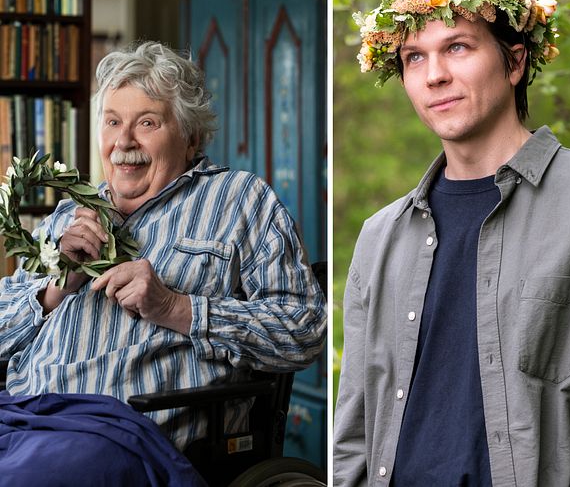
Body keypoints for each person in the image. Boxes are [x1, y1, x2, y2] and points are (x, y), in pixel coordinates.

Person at [333, 0, 570, 486]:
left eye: (458, 47)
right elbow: (354, 420)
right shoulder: (380, 236)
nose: (434, 74)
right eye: (414, 57)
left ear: (514, 62)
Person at [0, 41, 326, 484]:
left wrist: (174, 307)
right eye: (113, 122)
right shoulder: (69, 214)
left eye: (147, 123)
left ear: (191, 137)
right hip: (22, 415)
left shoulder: (240, 200)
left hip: (122, 434)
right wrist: (57, 285)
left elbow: (302, 331)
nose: (123, 142)